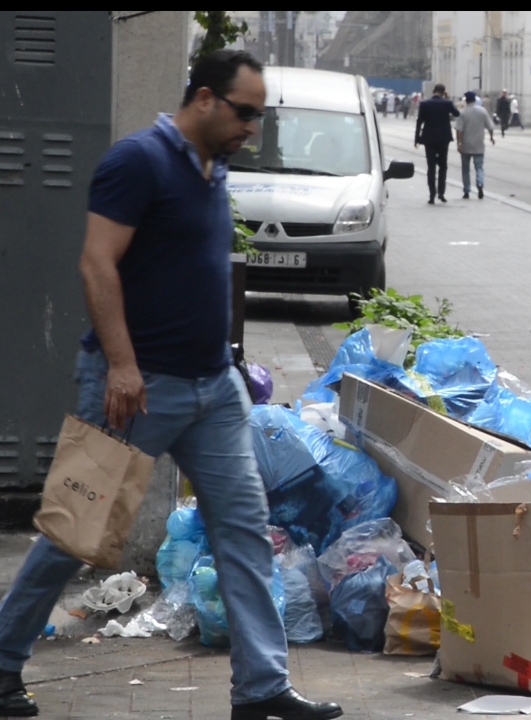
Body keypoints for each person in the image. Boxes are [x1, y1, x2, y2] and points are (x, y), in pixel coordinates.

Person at [0, 49, 343, 720]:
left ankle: (262, 688)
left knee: (244, 531)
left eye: (258, 115)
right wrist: (123, 365)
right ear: (206, 99)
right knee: (77, 531)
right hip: (137, 386)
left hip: (213, 388)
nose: (252, 126)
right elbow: (97, 264)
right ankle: (3, 661)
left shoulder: (214, 168)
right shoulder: (139, 160)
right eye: (244, 113)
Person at [415, 83, 460, 205]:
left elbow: (420, 121)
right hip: (443, 139)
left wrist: (417, 138)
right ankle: (441, 193)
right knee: (443, 166)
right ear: (443, 92)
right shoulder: (447, 103)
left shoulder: (424, 104)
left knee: (431, 167)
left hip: (429, 138)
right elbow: (457, 114)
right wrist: (448, 99)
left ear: (433, 91)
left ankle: (432, 195)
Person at [455, 91, 495, 200]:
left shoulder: (463, 113)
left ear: (466, 100)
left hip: (466, 145)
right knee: (479, 167)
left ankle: (467, 190)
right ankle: (480, 184)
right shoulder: (482, 111)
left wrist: (459, 143)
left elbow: (459, 130)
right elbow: (490, 126)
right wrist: (491, 137)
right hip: (479, 145)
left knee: (465, 169)